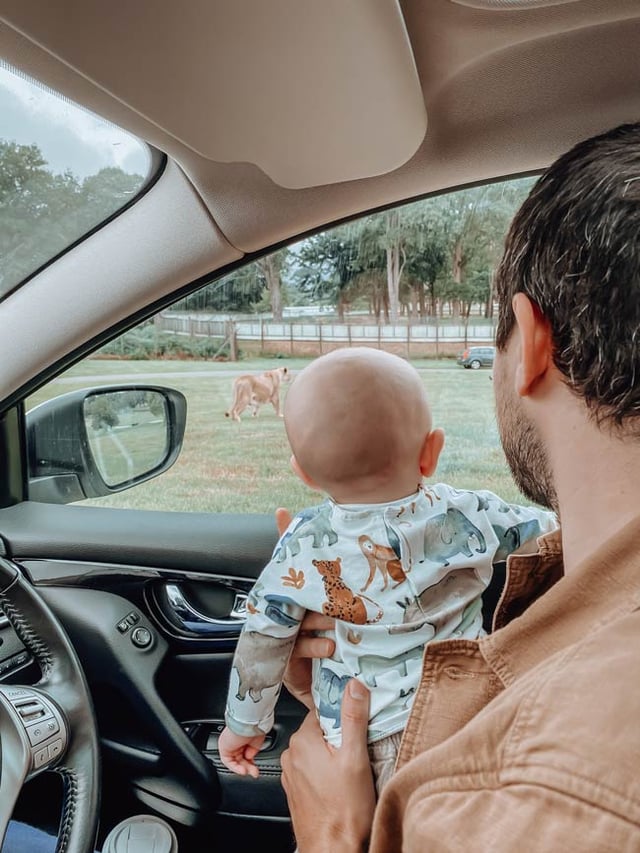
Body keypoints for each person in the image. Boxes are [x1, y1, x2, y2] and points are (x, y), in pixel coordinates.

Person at [278, 121, 640, 851]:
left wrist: (334, 837)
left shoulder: (526, 798)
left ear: (530, 341)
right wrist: (364, 661)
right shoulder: (577, 586)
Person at [218, 347, 557, 791]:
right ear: (431, 452)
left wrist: (245, 724)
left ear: (304, 474)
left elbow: (263, 637)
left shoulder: (303, 541)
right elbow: (549, 529)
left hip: (362, 742)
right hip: (471, 712)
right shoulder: (467, 514)